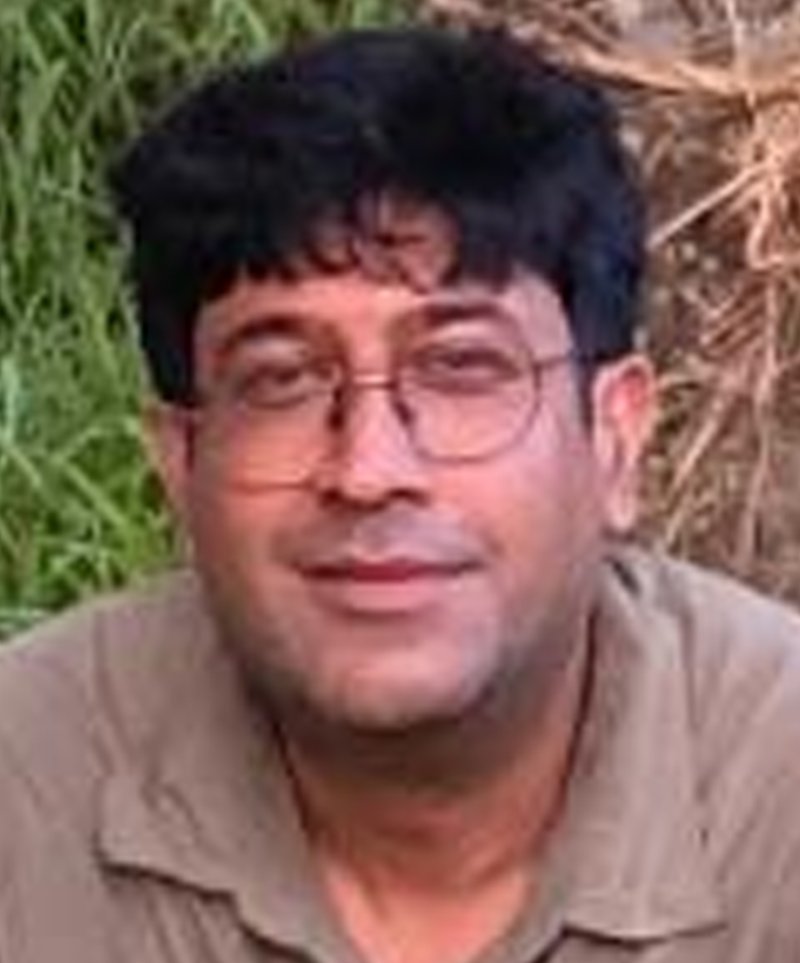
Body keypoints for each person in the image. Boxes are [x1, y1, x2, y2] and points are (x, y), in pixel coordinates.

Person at [2, 24, 800, 963]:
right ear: (182, 465)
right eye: (282, 381)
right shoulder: (29, 779)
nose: (369, 470)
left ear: (615, 438)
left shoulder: (772, 790)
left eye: (461, 367)